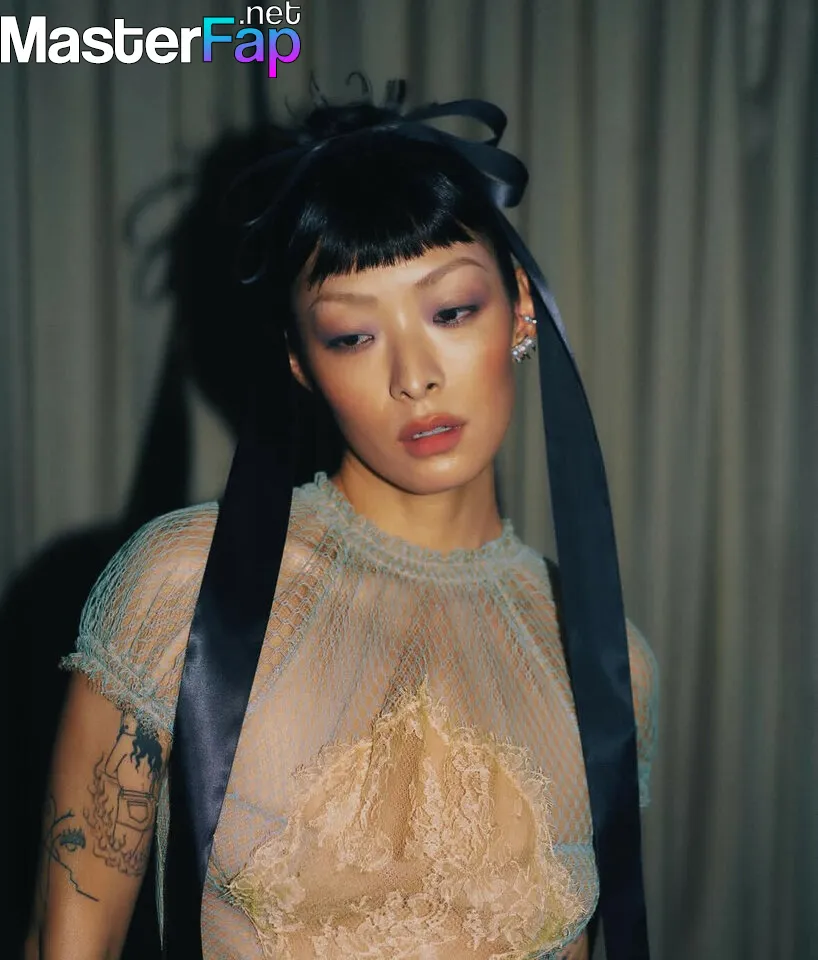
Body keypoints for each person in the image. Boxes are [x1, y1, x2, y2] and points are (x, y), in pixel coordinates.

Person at [25, 81, 658, 960]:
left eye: (451, 311)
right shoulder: (182, 587)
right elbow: (66, 944)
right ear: (300, 360)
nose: (413, 375)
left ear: (519, 307)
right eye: (353, 335)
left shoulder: (609, 661)